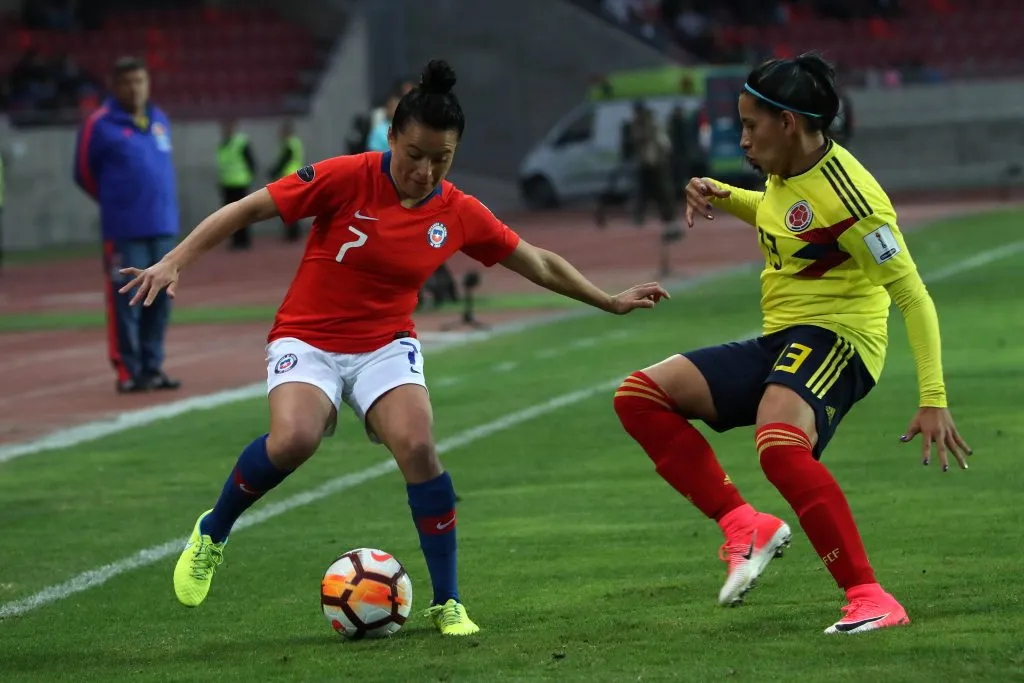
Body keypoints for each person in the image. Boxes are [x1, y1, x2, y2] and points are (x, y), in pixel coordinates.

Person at [118, 59, 669, 637]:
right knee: (296, 439)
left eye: (442, 159)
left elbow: (537, 260)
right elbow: (248, 207)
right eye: (414, 155)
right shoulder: (345, 175)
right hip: (309, 337)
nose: (425, 170)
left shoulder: (456, 211)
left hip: (385, 346)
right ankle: (213, 531)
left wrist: (606, 300)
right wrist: (174, 260)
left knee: (419, 448)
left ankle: (448, 601)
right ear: (391, 139)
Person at [612, 52, 971, 636]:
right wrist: (721, 193)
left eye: (751, 125)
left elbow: (914, 297)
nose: (742, 137)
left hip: (841, 339)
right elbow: (783, 215)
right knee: (640, 396)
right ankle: (743, 524)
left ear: (789, 123)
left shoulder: (854, 200)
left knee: (779, 444)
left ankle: (870, 596)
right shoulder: (787, 174)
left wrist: (933, 396)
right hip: (782, 339)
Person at [73, 56, 181, 394]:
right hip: (124, 230)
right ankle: (127, 370)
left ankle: (152, 366)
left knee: (160, 301)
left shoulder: (159, 119)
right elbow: (83, 173)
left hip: (163, 226)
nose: (135, 88)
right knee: (126, 303)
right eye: (128, 82)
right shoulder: (99, 124)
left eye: (140, 81)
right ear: (115, 85)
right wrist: (116, 202)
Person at [216, 119, 258, 251]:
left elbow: (251, 162)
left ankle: (244, 240)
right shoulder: (222, 145)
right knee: (229, 215)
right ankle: (235, 240)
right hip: (227, 184)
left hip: (240, 183)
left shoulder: (241, 143)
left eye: (229, 127)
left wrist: (248, 177)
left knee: (243, 214)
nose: (227, 130)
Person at [267, 120, 305, 242]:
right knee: (293, 207)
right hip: (295, 177)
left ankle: (292, 233)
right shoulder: (294, 143)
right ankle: (293, 232)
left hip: (291, 178)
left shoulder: (290, 144)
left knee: (289, 207)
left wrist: (273, 172)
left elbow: (284, 161)